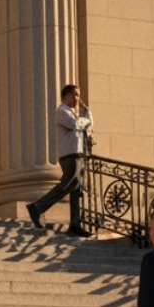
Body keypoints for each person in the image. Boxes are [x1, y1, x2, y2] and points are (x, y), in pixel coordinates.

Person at [26, 83, 95, 236]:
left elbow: (83, 126)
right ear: (67, 96)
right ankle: (37, 207)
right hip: (69, 155)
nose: (77, 98)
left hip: (76, 154)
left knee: (75, 188)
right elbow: (75, 124)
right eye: (75, 95)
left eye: (78, 95)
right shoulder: (62, 111)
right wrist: (86, 120)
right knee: (67, 185)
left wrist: (88, 121)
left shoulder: (73, 113)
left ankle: (75, 223)